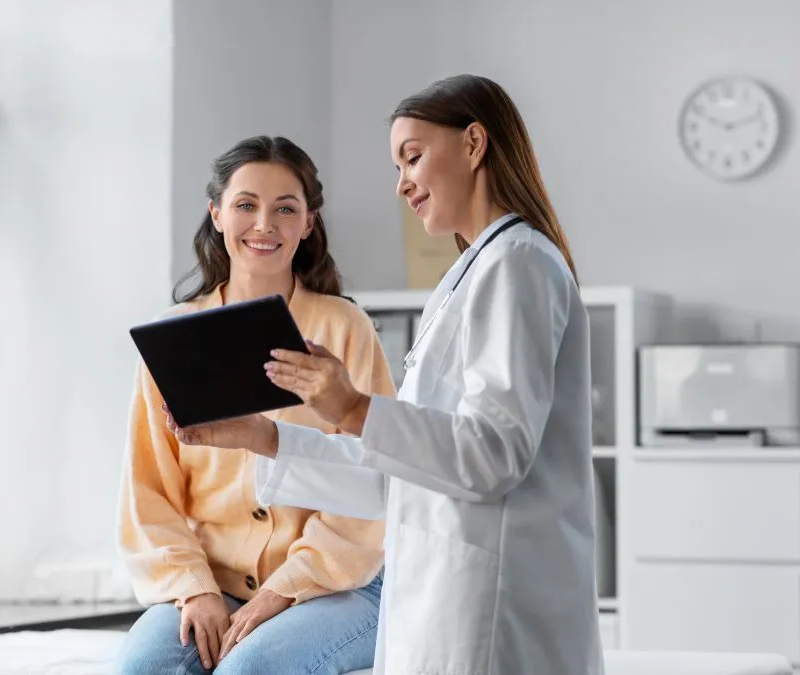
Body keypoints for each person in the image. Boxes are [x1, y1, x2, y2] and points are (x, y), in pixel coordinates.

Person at [164, 75, 604, 675]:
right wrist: (262, 437)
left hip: (494, 608)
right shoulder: (468, 277)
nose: (401, 184)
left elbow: (495, 456)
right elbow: (399, 478)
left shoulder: (519, 264)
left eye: (413, 157)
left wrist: (352, 408)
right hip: (443, 595)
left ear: (474, 144)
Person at [115, 135, 395, 675]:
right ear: (216, 213)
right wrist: (196, 590)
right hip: (210, 580)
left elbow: (371, 488)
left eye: (285, 208)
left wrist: (282, 592)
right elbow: (147, 493)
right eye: (246, 205)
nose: (264, 224)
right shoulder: (171, 340)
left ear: (308, 223)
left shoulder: (344, 329)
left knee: (250, 670)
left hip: (340, 583)